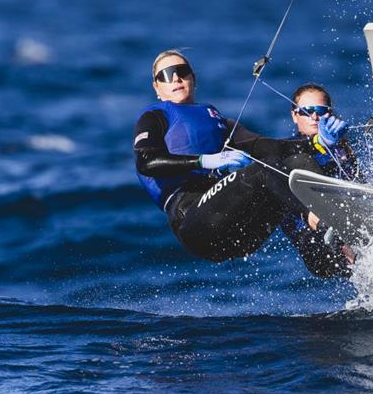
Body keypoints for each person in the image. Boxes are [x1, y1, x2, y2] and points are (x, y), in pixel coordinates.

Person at [133, 50, 353, 277]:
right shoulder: (154, 117)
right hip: (194, 220)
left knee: (294, 163)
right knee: (261, 171)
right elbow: (147, 162)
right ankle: (326, 223)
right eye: (166, 75)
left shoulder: (215, 120)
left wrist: (319, 142)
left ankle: (335, 257)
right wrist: (204, 160)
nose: (175, 78)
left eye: (182, 72)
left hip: (238, 229)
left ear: (193, 78)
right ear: (156, 88)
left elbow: (270, 147)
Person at [279, 83, 362, 276]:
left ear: (329, 113)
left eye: (320, 111)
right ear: (294, 115)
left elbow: (359, 184)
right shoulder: (288, 150)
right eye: (306, 111)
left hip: (348, 227)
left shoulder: (341, 147)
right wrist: (321, 144)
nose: (314, 117)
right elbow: (300, 152)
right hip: (313, 241)